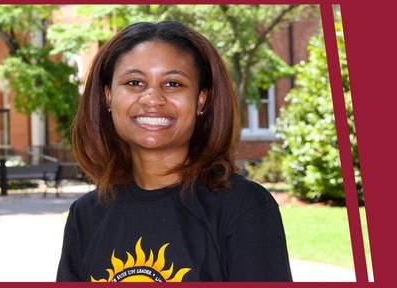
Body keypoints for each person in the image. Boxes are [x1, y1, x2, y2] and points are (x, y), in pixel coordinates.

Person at [56, 20, 292, 282]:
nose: (152, 98)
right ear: (108, 96)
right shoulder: (86, 215)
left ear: (201, 99)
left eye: (173, 84)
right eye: (134, 82)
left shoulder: (243, 208)